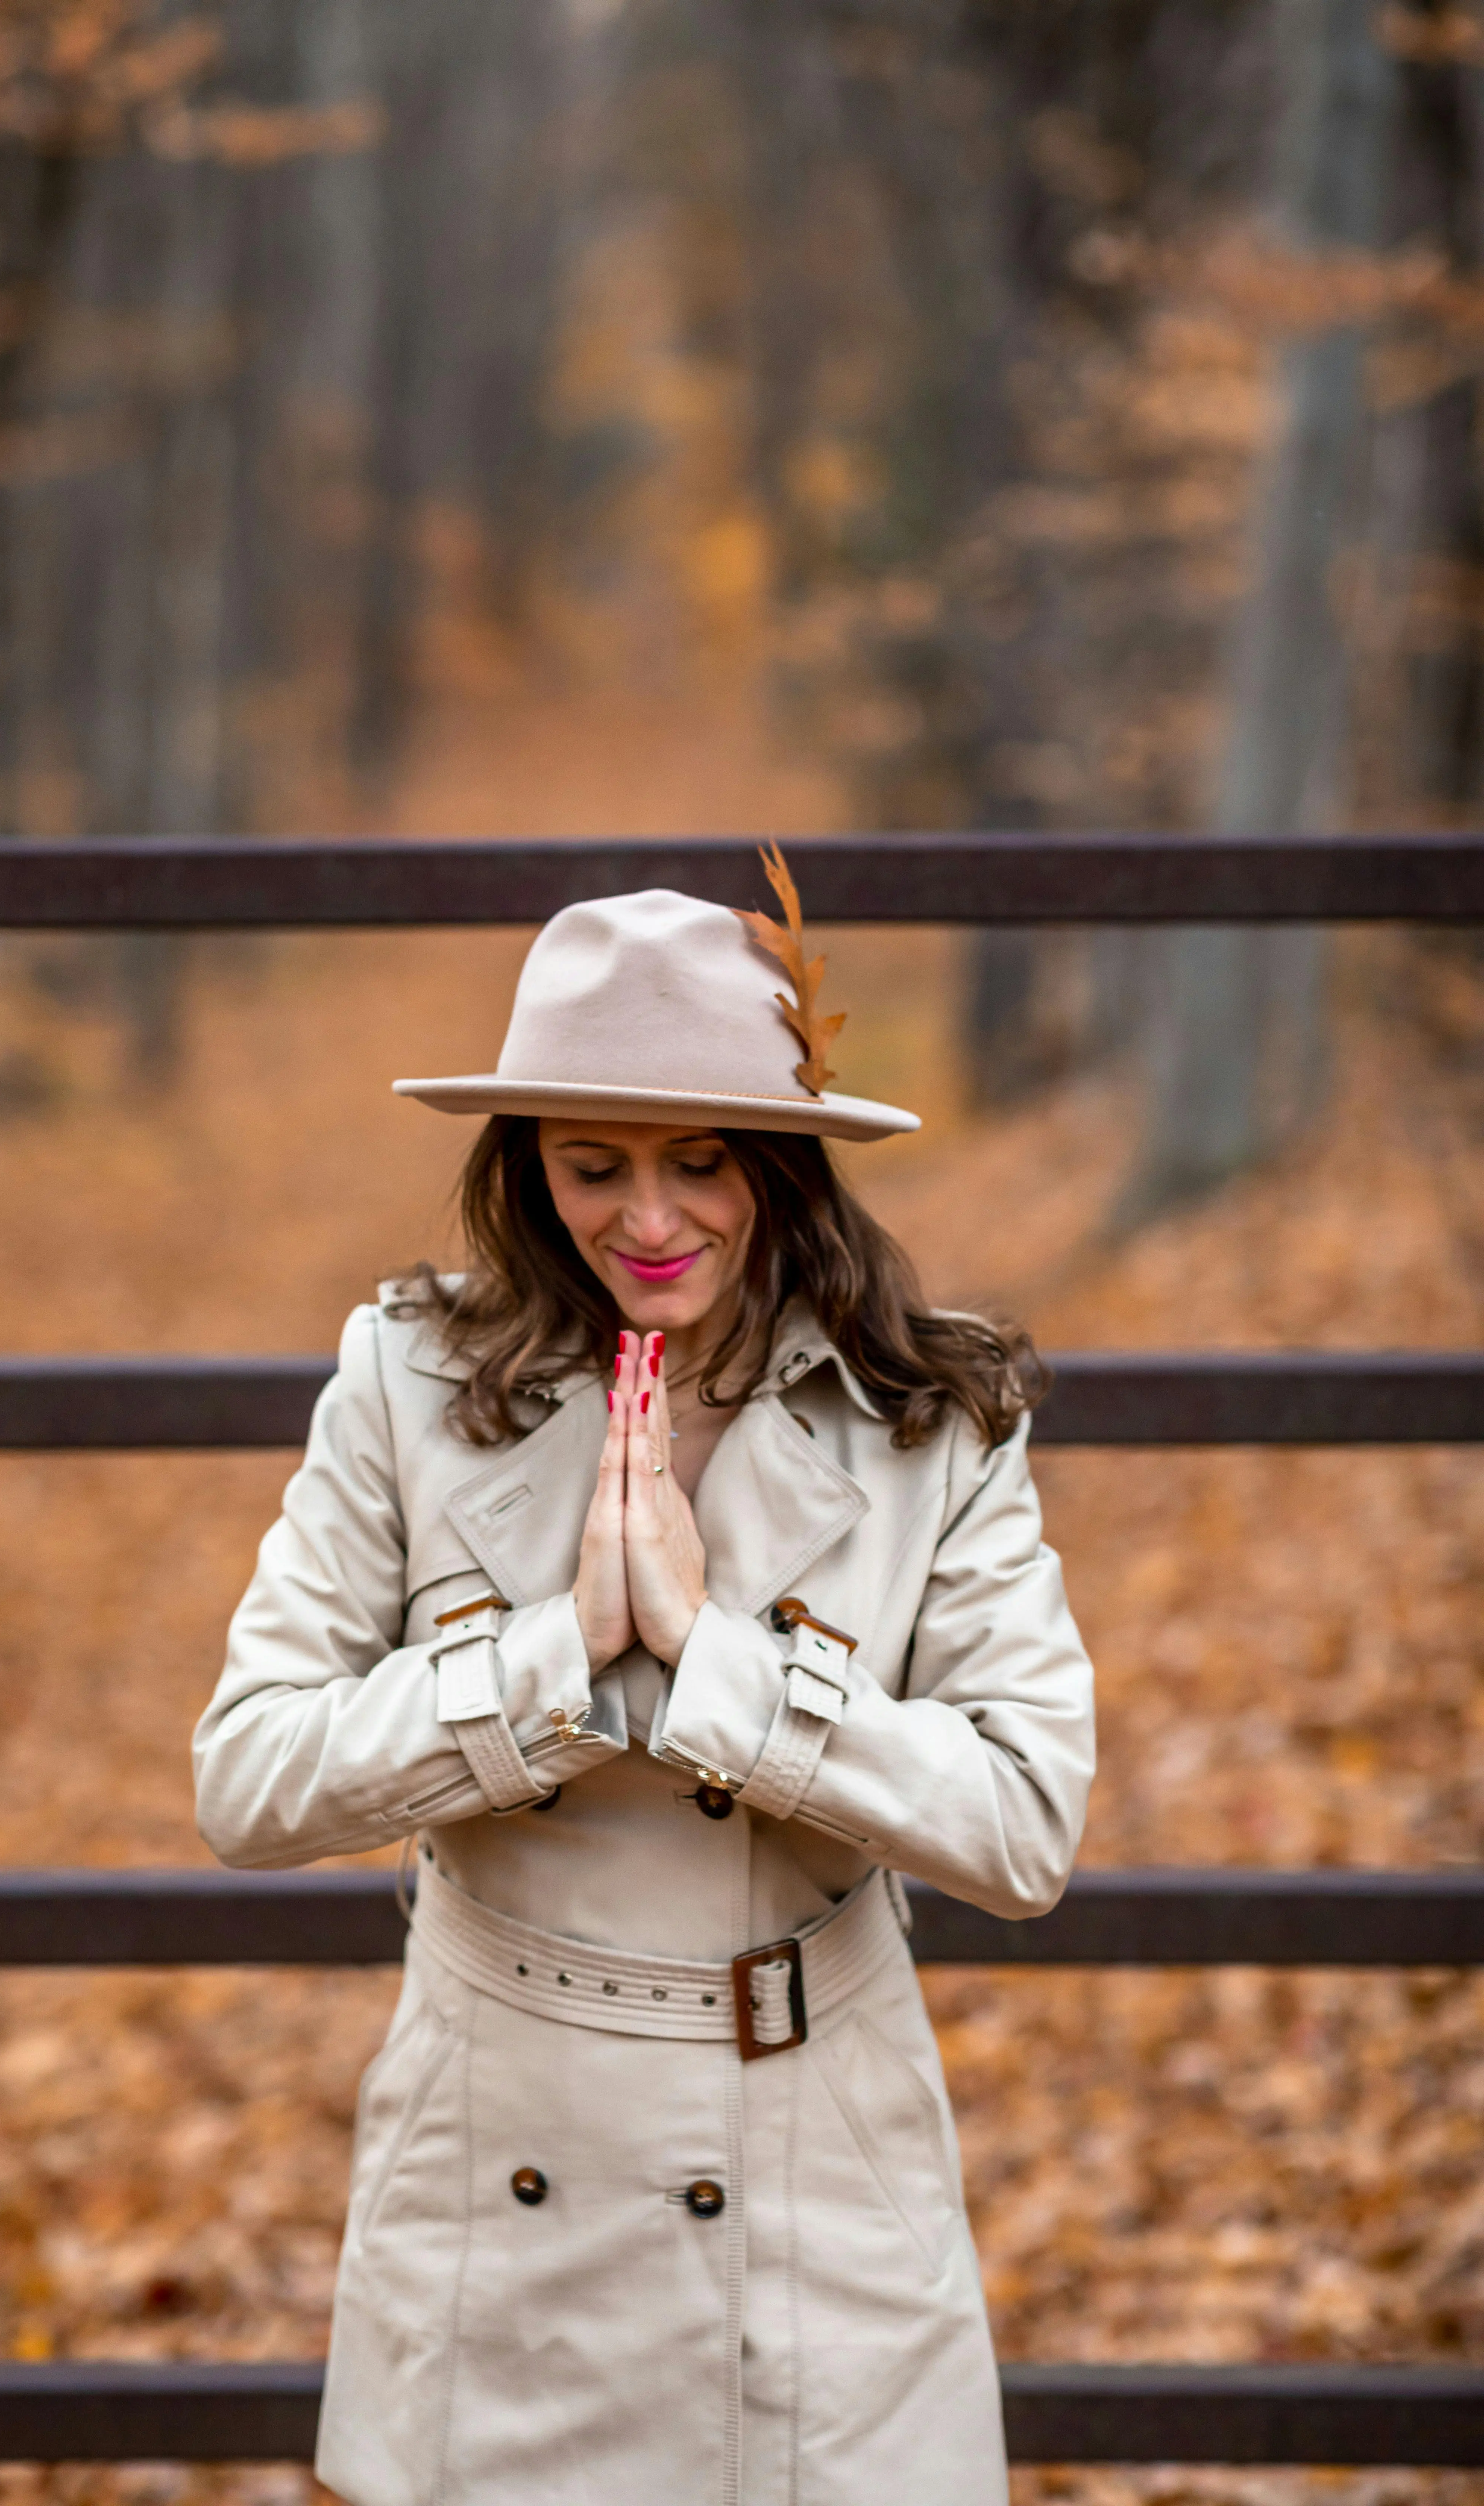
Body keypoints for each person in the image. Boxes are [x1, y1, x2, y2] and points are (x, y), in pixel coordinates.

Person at [193, 859, 1095, 2506]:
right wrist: (560, 1665)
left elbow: (1025, 1830)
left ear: (784, 1168)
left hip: (817, 2178)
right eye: (590, 1163)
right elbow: (248, 1781)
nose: (649, 1217)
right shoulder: (405, 1380)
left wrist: (712, 1667)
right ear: (526, 1168)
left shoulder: (930, 1418)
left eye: (702, 1161)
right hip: (504, 2188)